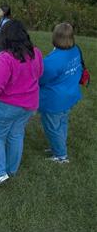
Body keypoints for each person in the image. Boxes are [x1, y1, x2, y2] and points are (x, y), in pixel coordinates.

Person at [0, 20, 43, 189]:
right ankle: (11, 170)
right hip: (28, 105)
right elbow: (39, 73)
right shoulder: (35, 52)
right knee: (16, 134)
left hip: (5, 105)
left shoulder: (4, 59)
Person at [39, 23, 83, 164]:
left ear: (55, 37)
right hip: (70, 94)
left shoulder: (52, 61)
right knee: (62, 122)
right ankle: (58, 146)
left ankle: (61, 155)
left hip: (55, 100)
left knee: (52, 127)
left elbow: (41, 80)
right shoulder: (76, 50)